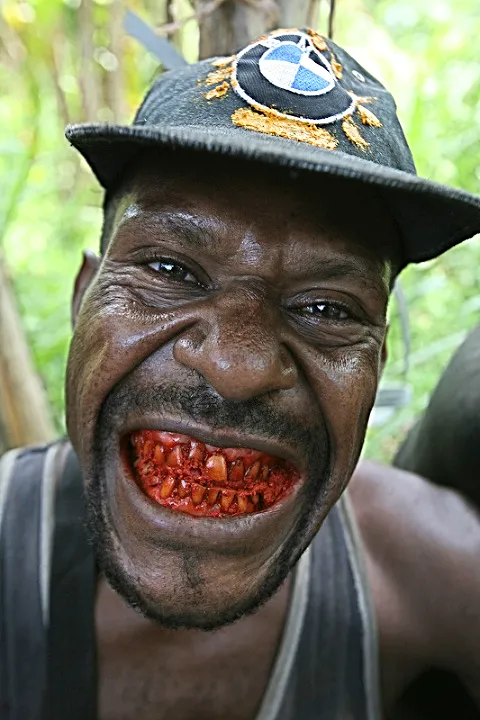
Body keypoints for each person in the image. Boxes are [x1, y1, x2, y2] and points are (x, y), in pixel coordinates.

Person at [1, 27, 479, 720]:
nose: (236, 368)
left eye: (325, 308)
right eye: (169, 270)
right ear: (83, 300)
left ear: (373, 366)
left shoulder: (428, 571)